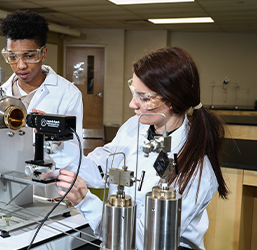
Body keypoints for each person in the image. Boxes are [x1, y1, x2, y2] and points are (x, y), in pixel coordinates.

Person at [56, 47, 228, 250]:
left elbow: (146, 241)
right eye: (133, 92)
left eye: (144, 98)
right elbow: (100, 169)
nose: (132, 104)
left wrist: (85, 201)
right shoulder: (135, 126)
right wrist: (59, 144)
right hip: (118, 238)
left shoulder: (196, 171)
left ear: (172, 101)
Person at [0, 9, 83, 168]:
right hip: (7, 174)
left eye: (29, 56)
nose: (20, 65)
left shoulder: (68, 93)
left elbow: (75, 151)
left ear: (43, 53)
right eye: (12, 57)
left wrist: (53, 135)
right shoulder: (1, 93)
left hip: (48, 180)